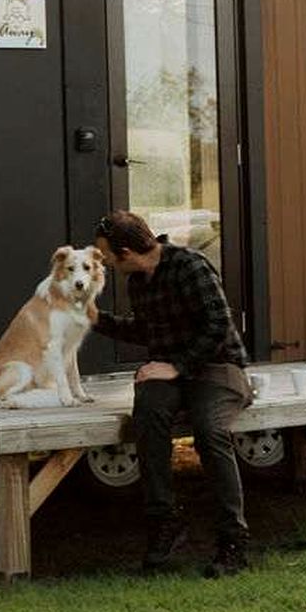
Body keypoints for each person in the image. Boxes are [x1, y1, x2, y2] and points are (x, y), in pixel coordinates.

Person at [90, 209, 253, 578]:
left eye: (107, 256)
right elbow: (148, 332)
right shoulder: (138, 282)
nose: (107, 263)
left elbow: (218, 325)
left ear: (127, 253)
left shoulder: (191, 266)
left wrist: (177, 366)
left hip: (217, 366)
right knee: (147, 414)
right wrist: (96, 319)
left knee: (210, 431)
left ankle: (233, 541)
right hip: (171, 370)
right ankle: (165, 523)